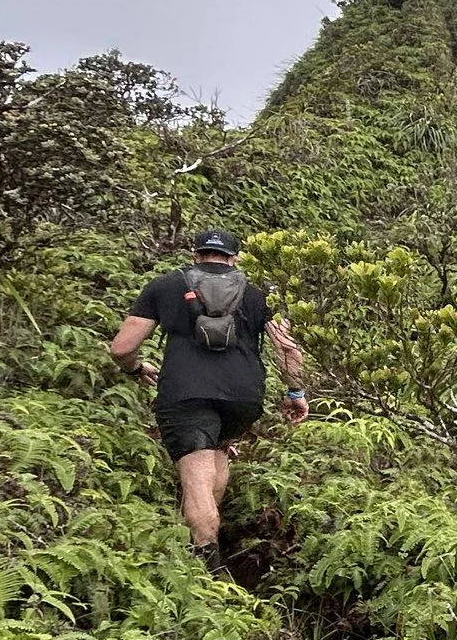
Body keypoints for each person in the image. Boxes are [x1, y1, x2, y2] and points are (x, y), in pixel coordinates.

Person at [106, 229, 308, 574]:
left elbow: (122, 347)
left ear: (195, 253)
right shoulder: (260, 291)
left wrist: (136, 368)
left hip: (186, 392)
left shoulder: (166, 285)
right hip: (244, 395)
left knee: (196, 474)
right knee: (216, 452)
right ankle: (204, 543)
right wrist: (296, 392)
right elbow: (286, 348)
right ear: (236, 257)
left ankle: (206, 566)